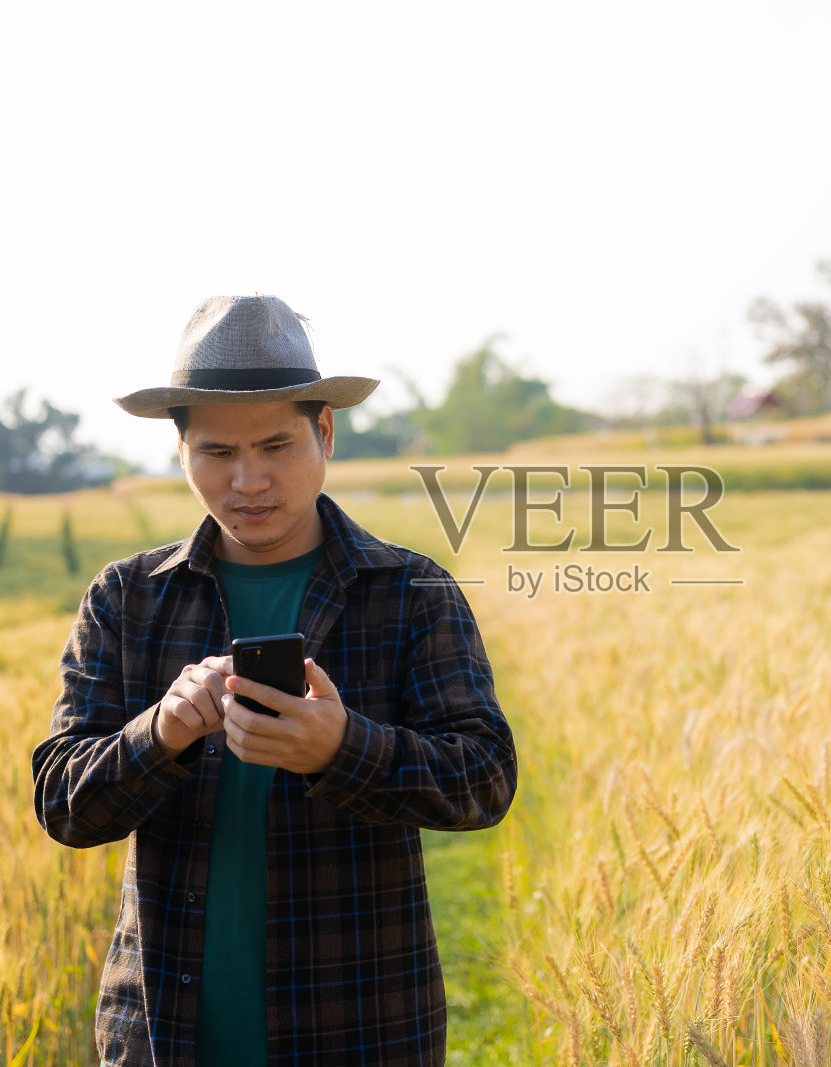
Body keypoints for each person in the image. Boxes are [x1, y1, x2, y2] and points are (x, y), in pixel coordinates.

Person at [31, 294, 517, 1066]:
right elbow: (63, 803)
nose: (248, 480)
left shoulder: (409, 591)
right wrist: (160, 732)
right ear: (180, 450)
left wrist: (342, 746)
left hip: (359, 1026)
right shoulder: (127, 597)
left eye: (276, 445)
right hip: (162, 1034)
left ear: (324, 433)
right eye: (218, 452)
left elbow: (485, 779)